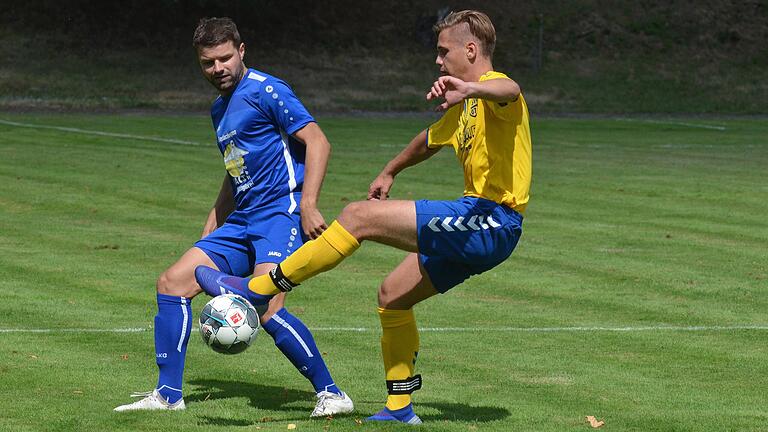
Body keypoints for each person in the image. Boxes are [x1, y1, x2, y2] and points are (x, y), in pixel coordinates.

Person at [196, 10, 531, 424]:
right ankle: (400, 409)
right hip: (476, 223)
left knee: (358, 216)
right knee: (392, 296)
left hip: (493, 219)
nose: (438, 61)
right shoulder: (464, 106)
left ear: (471, 49)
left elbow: (509, 88)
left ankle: (258, 288)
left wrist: (472, 88)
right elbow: (428, 140)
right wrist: (390, 170)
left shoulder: (494, 96)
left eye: (444, 52)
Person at [114, 17, 354, 417]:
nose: (218, 68)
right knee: (172, 283)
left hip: (281, 212)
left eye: (225, 58)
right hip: (241, 219)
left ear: (241, 51)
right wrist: (215, 216)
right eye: (208, 63)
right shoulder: (219, 109)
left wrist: (309, 204)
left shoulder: (267, 90)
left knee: (266, 303)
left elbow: (318, 141)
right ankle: (168, 395)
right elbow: (235, 170)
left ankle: (332, 394)